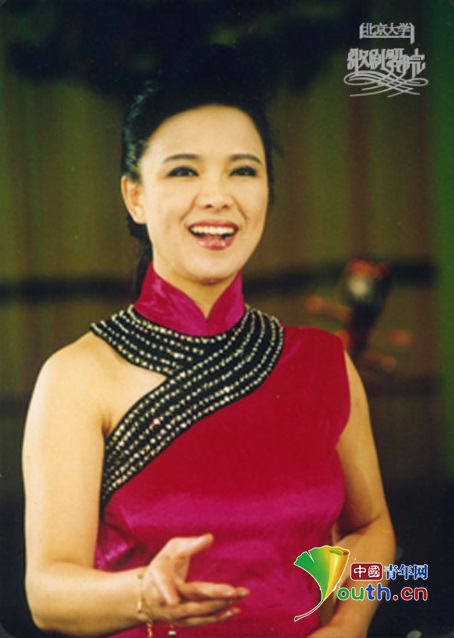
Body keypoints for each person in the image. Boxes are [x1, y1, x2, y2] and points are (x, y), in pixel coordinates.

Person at [22, 45, 395, 638]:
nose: (217, 196)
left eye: (243, 170)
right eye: (184, 171)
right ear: (135, 196)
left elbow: (372, 528)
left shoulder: (324, 364)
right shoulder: (78, 376)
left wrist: (348, 626)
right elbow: (47, 593)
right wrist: (143, 595)